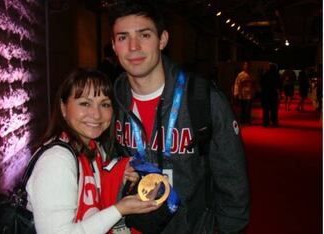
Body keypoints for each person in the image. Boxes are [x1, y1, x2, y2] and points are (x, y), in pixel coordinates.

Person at [108, 1, 250, 233]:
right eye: (123, 37)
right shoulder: (110, 103)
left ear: (162, 39)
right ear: (114, 45)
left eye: (144, 35)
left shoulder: (202, 99)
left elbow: (232, 181)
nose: (133, 47)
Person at [25, 68, 160, 234]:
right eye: (85, 103)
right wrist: (120, 210)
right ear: (63, 107)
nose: (96, 115)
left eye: (104, 104)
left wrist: (120, 175)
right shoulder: (57, 161)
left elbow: (98, 186)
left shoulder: (93, 150)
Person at [260, 63, 281, 127]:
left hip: (265, 93)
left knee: (266, 109)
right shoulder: (277, 75)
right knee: (274, 109)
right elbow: (279, 85)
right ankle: (274, 122)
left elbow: (261, 82)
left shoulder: (265, 74)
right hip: (273, 93)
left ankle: (266, 123)